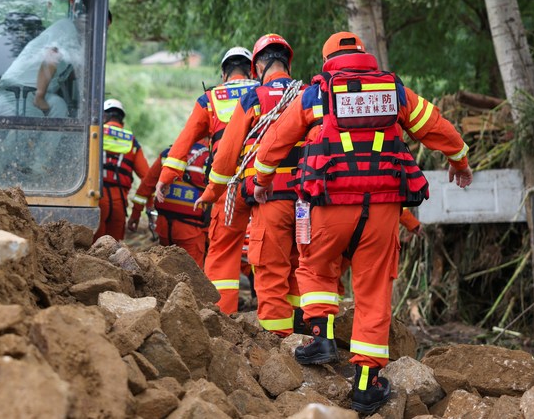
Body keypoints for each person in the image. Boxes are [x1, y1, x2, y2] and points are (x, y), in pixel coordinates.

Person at [250, 31, 472, 414]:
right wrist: (460, 162)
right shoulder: (395, 92)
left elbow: (275, 142)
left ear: (326, 60)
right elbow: (437, 126)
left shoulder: (315, 93)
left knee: (316, 267)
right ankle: (368, 385)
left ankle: (320, 337)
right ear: (365, 56)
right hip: (383, 209)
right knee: (373, 290)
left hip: (329, 204)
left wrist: (261, 180)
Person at [197, 34, 304, 335]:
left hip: (270, 195)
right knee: (303, 265)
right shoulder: (308, 94)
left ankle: (278, 341)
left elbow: (226, 157)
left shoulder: (253, 99)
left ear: (257, 65)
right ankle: (308, 333)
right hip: (310, 200)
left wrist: (211, 193)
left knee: (270, 267)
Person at [156, 47, 259, 314]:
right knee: (271, 249)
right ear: (251, 70)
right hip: (266, 184)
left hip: (228, 186)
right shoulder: (268, 92)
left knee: (223, 251)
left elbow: (184, 140)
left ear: (224, 73)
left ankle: (222, 316)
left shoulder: (211, 99)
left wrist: (166, 177)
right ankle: (280, 322)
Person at [0, 0, 87, 118]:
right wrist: (40, 95)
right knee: (31, 130)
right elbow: (51, 57)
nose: (103, 31)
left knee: (59, 106)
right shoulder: (67, 28)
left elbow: (69, 72)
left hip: (32, 93)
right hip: (15, 92)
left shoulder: (77, 40)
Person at [129, 141, 210, 267]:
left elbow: (146, 186)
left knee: (166, 273)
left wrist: (135, 214)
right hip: (191, 233)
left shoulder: (168, 155)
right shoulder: (209, 158)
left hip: (164, 229)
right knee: (193, 277)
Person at [97, 99, 150, 241]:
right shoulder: (131, 141)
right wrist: (143, 210)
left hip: (96, 199)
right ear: (122, 122)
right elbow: (147, 177)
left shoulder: (94, 134)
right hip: (119, 203)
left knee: (92, 249)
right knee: (113, 252)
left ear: (103, 117)